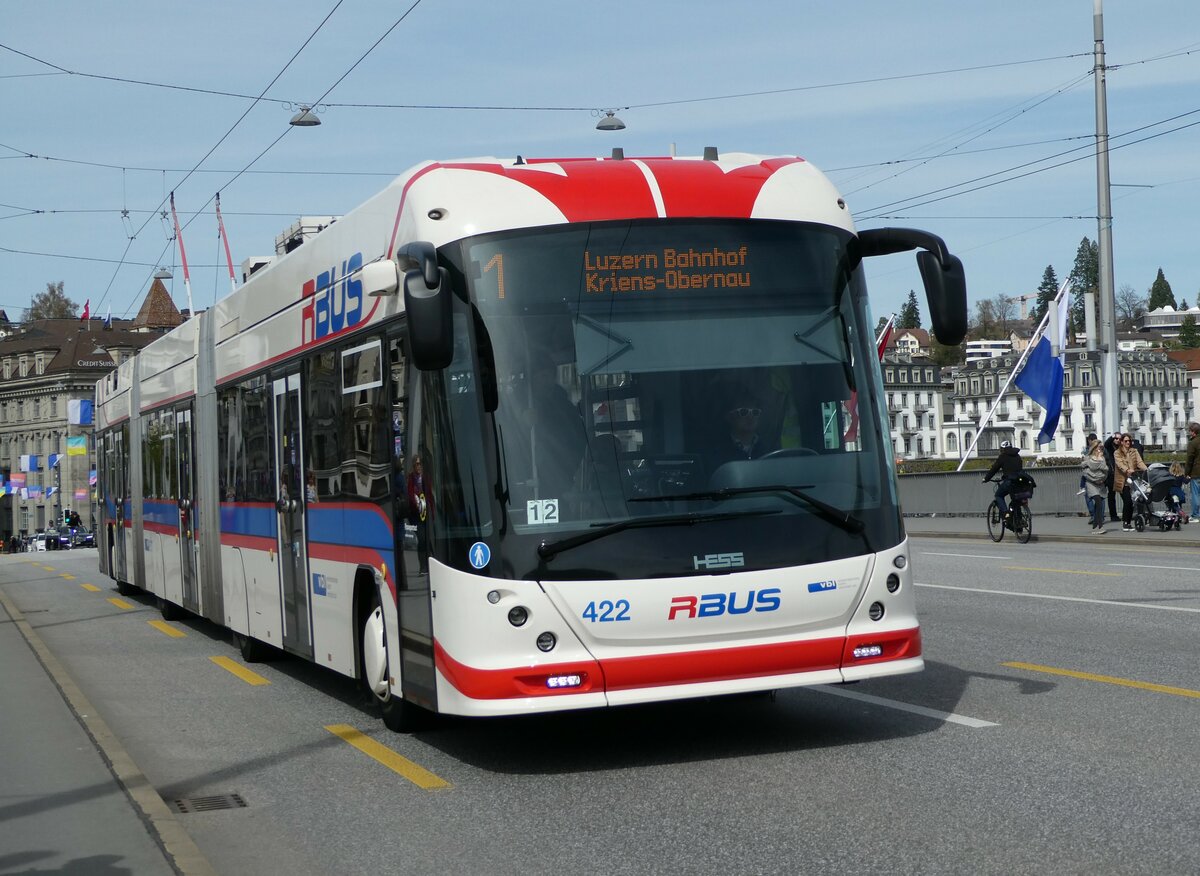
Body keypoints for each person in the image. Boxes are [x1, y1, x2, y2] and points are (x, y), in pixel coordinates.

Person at [714, 394, 776, 465]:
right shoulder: (718, 450)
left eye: (755, 412)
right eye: (743, 412)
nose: (750, 417)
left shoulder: (769, 447)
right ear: (729, 417)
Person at [1113, 433, 1148, 531]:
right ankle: (1125, 522)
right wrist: (1127, 469)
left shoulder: (1134, 451)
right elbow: (1119, 464)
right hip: (1123, 481)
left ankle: (1128, 523)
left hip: (1133, 480)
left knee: (1133, 501)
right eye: (1126, 441)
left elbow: (1139, 462)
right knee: (1127, 501)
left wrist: (1146, 469)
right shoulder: (1117, 452)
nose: (1128, 442)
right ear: (1121, 442)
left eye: (1129, 441)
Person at [983, 440, 1023, 521]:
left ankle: (1006, 514)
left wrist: (986, 478)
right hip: (1019, 481)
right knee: (1015, 500)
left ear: (1003, 449)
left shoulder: (1003, 456)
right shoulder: (1017, 456)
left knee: (998, 495)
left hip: (1009, 481)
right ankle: (1019, 522)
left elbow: (994, 469)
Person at [406, 455, 432, 573]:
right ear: (413, 466)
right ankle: (423, 567)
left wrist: (432, 511)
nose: (419, 466)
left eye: (420, 464)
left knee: (428, 539)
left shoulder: (426, 477)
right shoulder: (411, 478)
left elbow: (430, 494)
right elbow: (410, 494)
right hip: (416, 515)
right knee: (421, 539)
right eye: (417, 464)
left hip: (426, 513)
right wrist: (416, 503)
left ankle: (430, 565)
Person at [1080, 439, 1109, 534]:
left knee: (1099, 503)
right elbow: (1085, 472)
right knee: (1097, 501)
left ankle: (1095, 525)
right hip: (1091, 483)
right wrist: (1094, 478)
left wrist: (1102, 479)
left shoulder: (1102, 458)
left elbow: (1105, 471)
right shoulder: (1087, 458)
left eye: (1101, 447)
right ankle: (1100, 526)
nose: (1100, 449)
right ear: (1094, 447)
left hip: (1100, 483)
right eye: (1098, 447)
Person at [1102, 431, 1121, 522]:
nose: (1117, 440)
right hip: (1111, 475)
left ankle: (1127, 514)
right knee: (1111, 496)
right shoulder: (1110, 448)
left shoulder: (1121, 448)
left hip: (1120, 474)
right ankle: (1113, 515)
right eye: (1116, 439)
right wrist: (1112, 436)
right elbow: (1106, 444)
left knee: (1125, 495)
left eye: (1119, 439)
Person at [1185, 421, 1200, 522]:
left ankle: (1195, 515)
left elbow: (1189, 460)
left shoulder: (1193, 442)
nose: (1189, 433)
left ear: (1193, 432)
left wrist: (1187, 473)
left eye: (1190, 431)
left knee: (1195, 494)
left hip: (1196, 472)